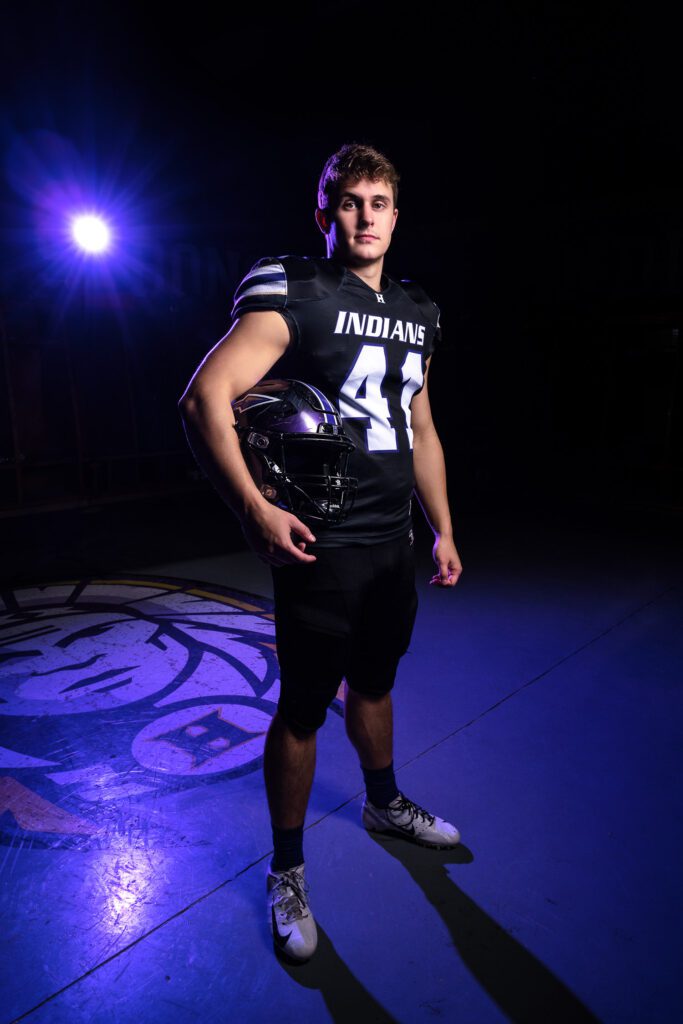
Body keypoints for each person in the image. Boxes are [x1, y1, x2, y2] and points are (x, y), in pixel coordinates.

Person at [178, 143, 463, 964]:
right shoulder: (294, 286)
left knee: (374, 682)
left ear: (396, 216)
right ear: (325, 214)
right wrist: (255, 509)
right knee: (302, 709)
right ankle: (288, 869)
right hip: (319, 543)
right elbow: (205, 397)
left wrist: (440, 525)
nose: (365, 216)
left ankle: (383, 803)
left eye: (379, 203)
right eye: (349, 202)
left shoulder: (418, 308)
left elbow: (420, 426)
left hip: (389, 543)